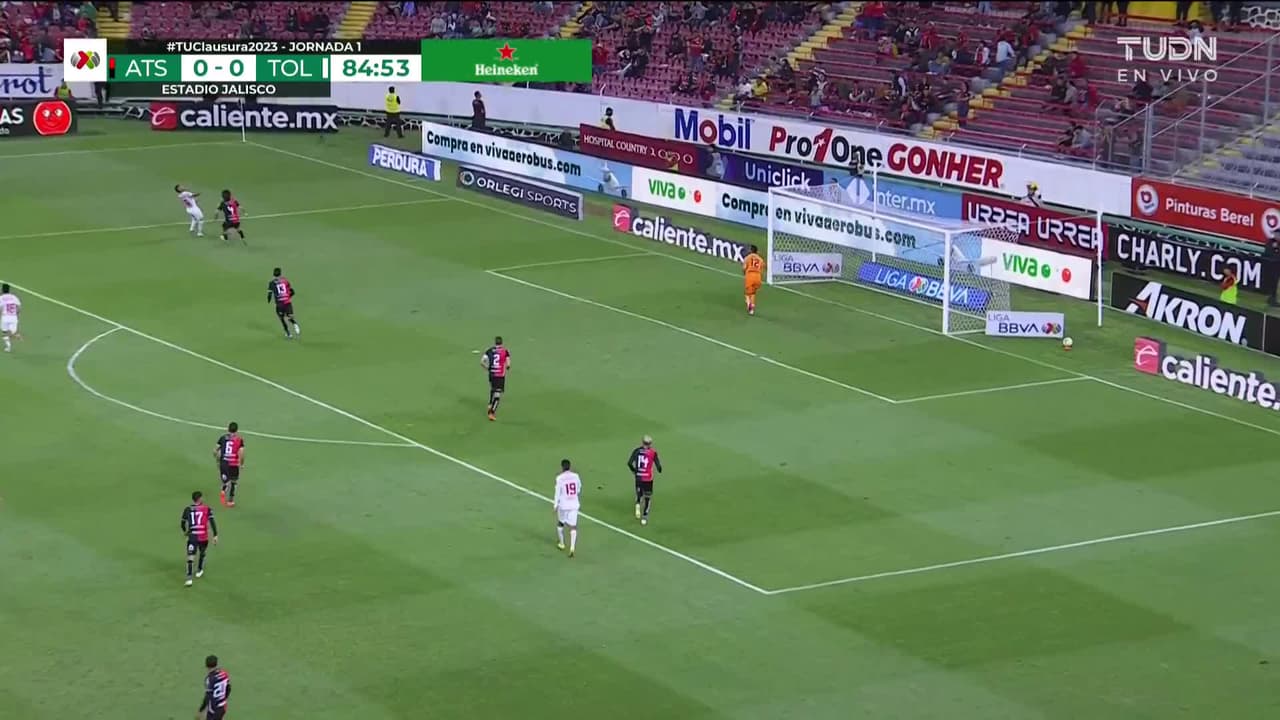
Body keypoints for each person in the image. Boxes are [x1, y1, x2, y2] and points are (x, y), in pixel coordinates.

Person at [181, 491, 218, 586]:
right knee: (202, 552)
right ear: (200, 498)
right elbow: (212, 522)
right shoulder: (207, 509)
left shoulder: (187, 509)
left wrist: (186, 532)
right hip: (203, 536)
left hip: (192, 536)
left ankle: (189, 579)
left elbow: (182, 523)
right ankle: (200, 569)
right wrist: (215, 535)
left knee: (190, 557)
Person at [628, 435, 663, 525]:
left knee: (639, 493)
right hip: (648, 478)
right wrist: (659, 469)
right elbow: (659, 467)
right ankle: (644, 516)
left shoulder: (636, 451)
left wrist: (634, 471)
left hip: (639, 476)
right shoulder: (653, 452)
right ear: (650, 444)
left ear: (642, 442)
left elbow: (629, 463)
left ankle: (637, 504)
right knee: (647, 497)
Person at [553, 459, 581, 557]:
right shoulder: (576, 476)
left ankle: (562, 544)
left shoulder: (559, 478)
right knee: (573, 527)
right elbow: (578, 488)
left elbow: (557, 492)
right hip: (574, 504)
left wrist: (555, 505)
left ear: (562, 467)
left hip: (564, 505)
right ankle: (572, 547)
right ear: (570, 466)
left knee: (560, 523)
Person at [214, 422, 245, 507]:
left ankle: (224, 489)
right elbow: (242, 453)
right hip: (233, 464)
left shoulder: (222, 438)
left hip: (224, 463)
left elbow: (215, 451)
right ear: (237, 430)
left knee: (226, 481)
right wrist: (241, 464)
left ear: (228, 429)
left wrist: (218, 461)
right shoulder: (239, 440)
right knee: (234, 481)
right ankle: (230, 500)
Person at [481, 336, 511, 421]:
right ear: (502, 343)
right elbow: (508, 364)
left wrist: (487, 368)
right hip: (500, 376)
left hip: (491, 374)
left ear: (495, 342)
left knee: (493, 388)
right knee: (497, 395)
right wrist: (507, 367)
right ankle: (491, 412)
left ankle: (490, 403)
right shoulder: (505, 351)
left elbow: (482, 362)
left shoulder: (489, 350)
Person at [267, 268, 300, 339]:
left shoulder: (271, 283)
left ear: (273, 274)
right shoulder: (285, 281)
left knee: (282, 319)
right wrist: (288, 297)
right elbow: (292, 291)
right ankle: (295, 324)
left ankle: (288, 334)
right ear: (280, 273)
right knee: (289, 316)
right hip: (287, 302)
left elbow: (269, 295)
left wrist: (268, 300)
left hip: (279, 304)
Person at [199, 655, 231, 719]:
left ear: (206, 666)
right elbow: (228, 688)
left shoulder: (209, 679)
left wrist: (201, 710)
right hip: (223, 707)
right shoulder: (224, 674)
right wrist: (223, 700)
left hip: (213, 710)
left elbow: (208, 697)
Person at [743, 244, 764, 315]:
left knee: (747, 293)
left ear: (751, 250)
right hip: (758, 276)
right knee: (753, 292)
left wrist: (745, 274)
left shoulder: (748, 257)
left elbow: (744, 268)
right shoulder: (760, 259)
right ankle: (752, 306)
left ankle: (749, 305)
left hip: (750, 275)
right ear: (757, 251)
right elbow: (762, 269)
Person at [0, 283, 20, 353]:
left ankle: (8, 346)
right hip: (13, 317)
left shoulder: (1, 298)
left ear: (2, 290)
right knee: (12, 332)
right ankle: (14, 335)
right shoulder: (14, 297)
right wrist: (17, 315)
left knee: (4, 332)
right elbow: (19, 307)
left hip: (5, 317)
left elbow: (1, 308)